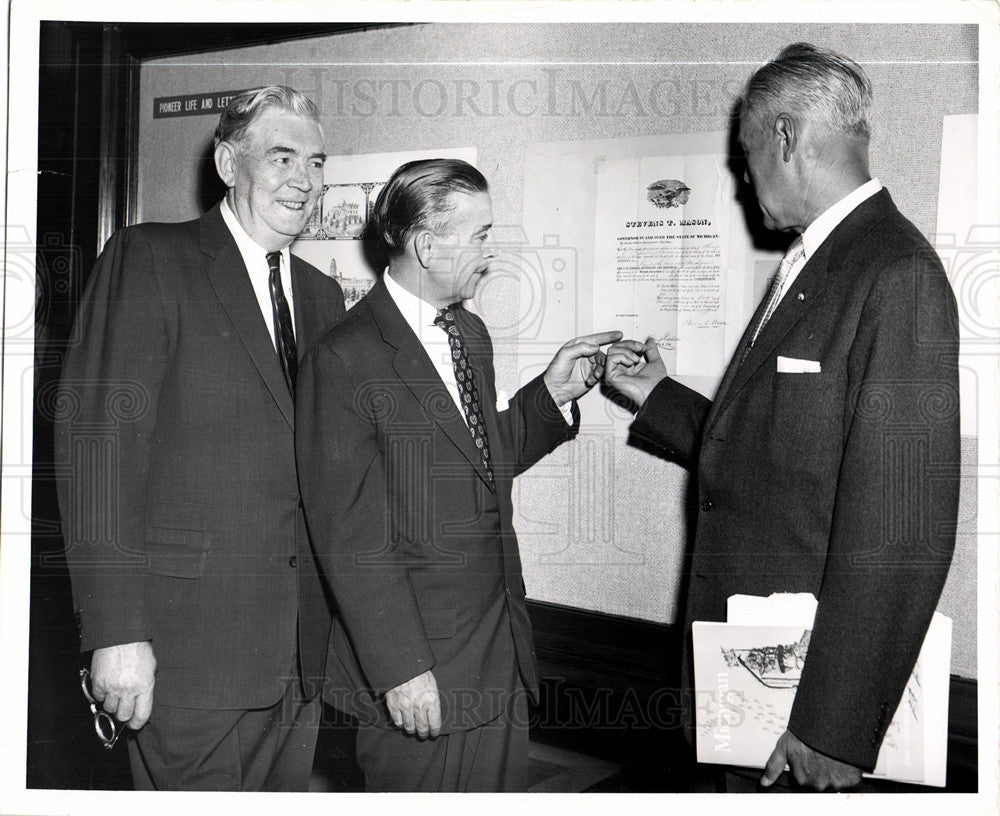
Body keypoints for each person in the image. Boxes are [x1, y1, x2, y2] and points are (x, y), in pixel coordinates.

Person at [603, 43, 959, 791]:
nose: (742, 177)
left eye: (746, 154)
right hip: (751, 685)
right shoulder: (814, 264)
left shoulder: (896, 273)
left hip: (803, 711)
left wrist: (835, 726)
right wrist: (660, 398)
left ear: (787, 138)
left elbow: (902, 525)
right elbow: (783, 455)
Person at [296, 158, 620, 791]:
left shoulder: (470, 335)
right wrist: (401, 669)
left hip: (498, 651)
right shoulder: (345, 357)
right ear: (424, 243)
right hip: (421, 670)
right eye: (479, 235)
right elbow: (349, 535)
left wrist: (548, 397)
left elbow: (474, 462)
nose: (489, 253)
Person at [54, 86, 346, 790]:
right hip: (186, 656)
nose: (303, 179)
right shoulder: (150, 258)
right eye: (281, 157)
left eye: (315, 161)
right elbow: (100, 454)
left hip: (300, 662)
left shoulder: (320, 295)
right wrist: (116, 633)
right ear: (226, 163)